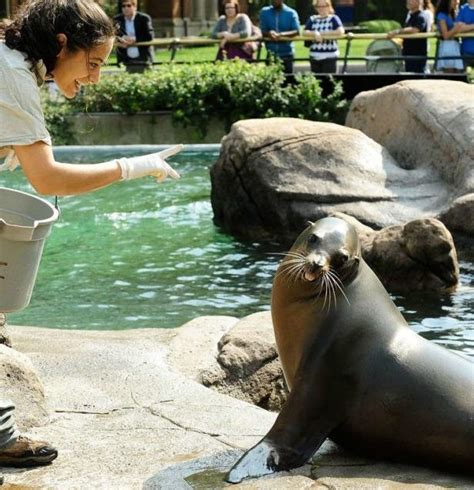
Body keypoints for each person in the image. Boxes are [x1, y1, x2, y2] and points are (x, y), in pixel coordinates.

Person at [0, 0, 181, 475]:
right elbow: (50, 178)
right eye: (94, 63)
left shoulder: (13, 60)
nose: (96, 77)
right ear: (63, 43)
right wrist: (133, 167)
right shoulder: (13, 73)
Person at [303, 0, 345, 74]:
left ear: (328, 7)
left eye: (324, 6)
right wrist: (315, 33)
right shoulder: (312, 19)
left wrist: (322, 34)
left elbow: (340, 31)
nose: (321, 8)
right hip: (314, 56)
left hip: (330, 57)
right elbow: (305, 32)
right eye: (319, 6)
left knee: (329, 81)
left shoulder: (333, 18)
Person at [259, 0, 300, 74]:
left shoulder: (291, 13)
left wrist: (281, 34)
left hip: (287, 54)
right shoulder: (265, 12)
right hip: (271, 54)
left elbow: (296, 31)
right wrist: (269, 33)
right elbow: (262, 30)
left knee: (287, 81)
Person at [388, 0, 429, 73]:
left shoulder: (421, 16)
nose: (408, 2)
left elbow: (415, 29)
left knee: (417, 80)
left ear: (418, 2)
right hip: (410, 55)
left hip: (417, 56)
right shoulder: (411, 16)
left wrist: (397, 32)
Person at [114, 0, 154, 73]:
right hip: (125, 60)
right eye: (123, 6)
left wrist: (134, 40)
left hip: (143, 58)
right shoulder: (117, 20)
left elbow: (149, 36)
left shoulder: (144, 18)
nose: (126, 8)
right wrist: (123, 39)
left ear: (135, 7)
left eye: (128, 5)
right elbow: (112, 36)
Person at [435, 0, 464, 72]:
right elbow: (445, 36)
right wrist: (456, 28)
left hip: (455, 46)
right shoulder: (441, 16)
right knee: (449, 73)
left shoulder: (454, 13)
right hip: (447, 48)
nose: (457, 2)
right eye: (454, 0)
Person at [456, 0, 474, 67]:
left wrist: (466, 27)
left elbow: (462, 27)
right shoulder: (463, 9)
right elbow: (458, 27)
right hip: (465, 52)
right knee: (463, 76)